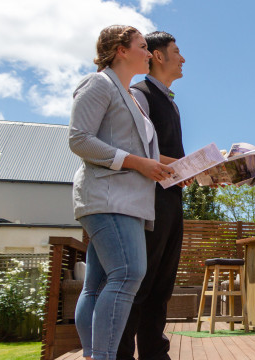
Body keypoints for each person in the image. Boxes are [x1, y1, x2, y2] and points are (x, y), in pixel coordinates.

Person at [68, 25, 175, 360]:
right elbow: (79, 139)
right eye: (142, 47)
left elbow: (146, 155)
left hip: (129, 202)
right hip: (108, 198)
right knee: (129, 273)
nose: (148, 53)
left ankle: (92, 353)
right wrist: (136, 163)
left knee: (97, 285)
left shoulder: (129, 96)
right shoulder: (98, 83)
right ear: (120, 50)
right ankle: (104, 355)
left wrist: (189, 169)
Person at [117, 31, 188, 360]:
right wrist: (187, 167)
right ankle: (119, 353)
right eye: (177, 52)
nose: (183, 58)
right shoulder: (140, 94)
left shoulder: (171, 103)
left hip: (172, 200)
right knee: (141, 283)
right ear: (158, 56)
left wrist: (195, 173)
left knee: (162, 285)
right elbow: (135, 148)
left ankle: (154, 354)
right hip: (149, 200)